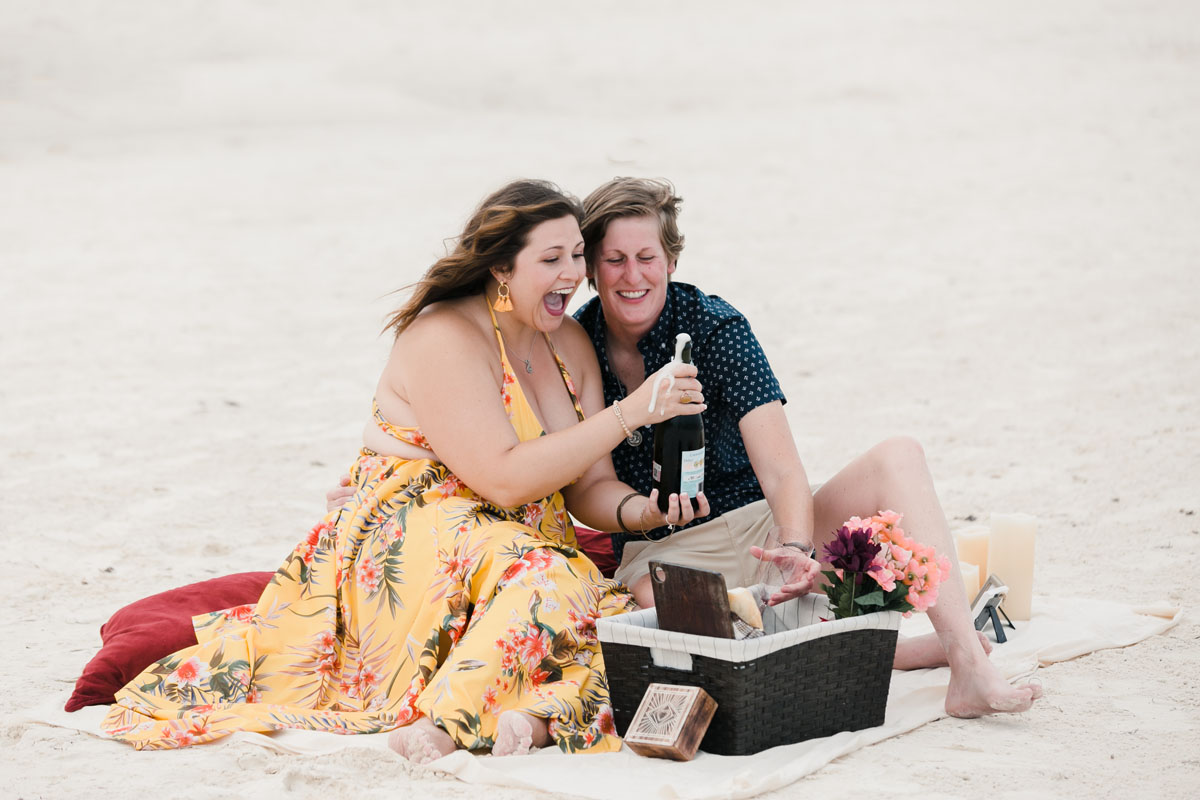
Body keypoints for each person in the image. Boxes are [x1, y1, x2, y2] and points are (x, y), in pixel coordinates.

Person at [100, 180, 711, 761]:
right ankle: (449, 719)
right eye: (551, 258)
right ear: (502, 267)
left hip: (515, 534)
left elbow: (587, 484)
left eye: (577, 254)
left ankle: (533, 718)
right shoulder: (445, 335)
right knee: (547, 579)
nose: (573, 273)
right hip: (415, 522)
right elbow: (501, 479)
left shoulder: (568, 341)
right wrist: (634, 412)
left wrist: (643, 509)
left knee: (613, 613)